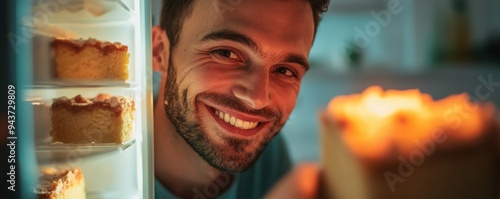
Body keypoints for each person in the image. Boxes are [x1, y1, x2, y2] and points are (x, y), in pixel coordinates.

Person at [151, 0, 329, 198]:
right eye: (226, 53)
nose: (257, 99)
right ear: (160, 51)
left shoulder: (270, 155)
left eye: (284, 70)